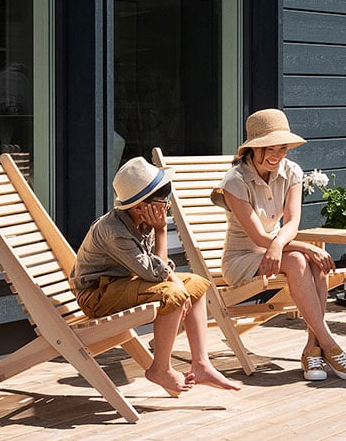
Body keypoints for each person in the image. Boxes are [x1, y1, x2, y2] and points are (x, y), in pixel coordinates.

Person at [212, 109, 346, 382]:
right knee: (299, 259)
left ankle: (311, 349)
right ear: (253, 149)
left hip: (276, 249)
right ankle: (329, 344)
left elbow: (292, 222)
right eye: (269, 149)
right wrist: (304, 247)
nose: (277, 155)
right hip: (242, 258)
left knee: (314, 263)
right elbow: (258, 237)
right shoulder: (235, 180)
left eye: (282, 148)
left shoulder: (291, 171)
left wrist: (285, 245)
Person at [71, 157, 242, 393]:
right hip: (97, 296)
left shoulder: (141, 221)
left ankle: (201, 364)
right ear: (141, 206)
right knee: (173, 294)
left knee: (196, 284)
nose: (169, 204)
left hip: (124, 284)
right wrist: (162, 231)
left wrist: (174, 279)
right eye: (165, 199)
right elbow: (155, 274)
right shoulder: (115, 232)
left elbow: (156, 267)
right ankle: (160, 368)